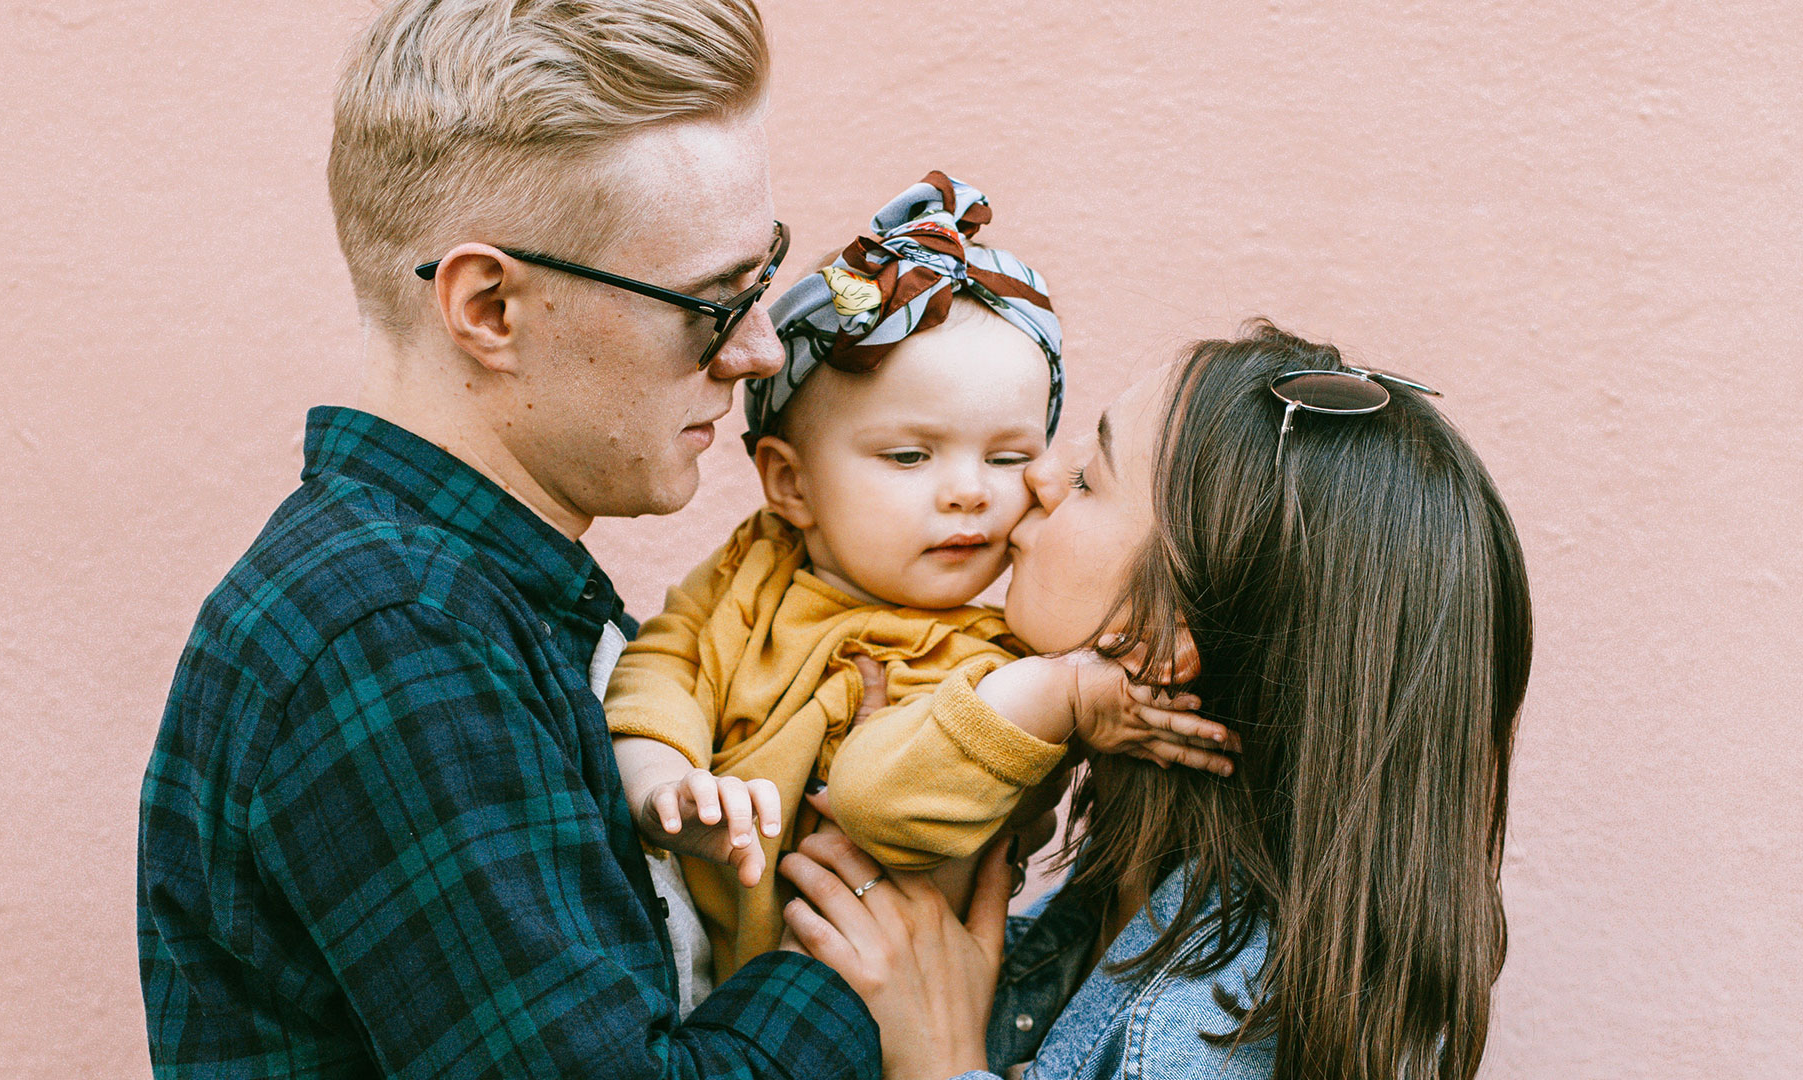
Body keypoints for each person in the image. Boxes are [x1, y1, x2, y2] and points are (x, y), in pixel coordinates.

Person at [135, 2, 1006, 1077]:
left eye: (764, 271)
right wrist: (879, 910)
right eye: (710, 301)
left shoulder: (485, 599)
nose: (760, 349)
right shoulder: (395, 636)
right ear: (490, 307)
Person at [781, 322, 1535, 1080]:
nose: (1037, 476)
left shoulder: (1211, 1030)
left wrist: (941, 1066)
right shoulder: (1115, 913)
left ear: (1169, 637)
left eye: (1086, 481)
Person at [602, 173, 1236, 997]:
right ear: (790, 485)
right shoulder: (748, 570)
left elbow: (878, 803)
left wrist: (1060, 697)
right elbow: (658, 670)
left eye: (1009, 457)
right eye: (910, 456)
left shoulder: (1006, 669)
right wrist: (660, 780)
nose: (969, 491)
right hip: (700, 989)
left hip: (866, 1018)